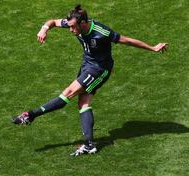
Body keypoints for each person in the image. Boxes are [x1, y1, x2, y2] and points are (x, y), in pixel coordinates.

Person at [12, 5, 167, 156]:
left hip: (100, 69)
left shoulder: (101, 32)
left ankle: (30, 115)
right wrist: (44, 29)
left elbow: (127, 40)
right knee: (83, 103)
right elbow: (52, 22)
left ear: (83, 23)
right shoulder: (75, 22)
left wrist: (153, 48)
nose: (71, 30)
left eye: (73, 27)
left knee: (68, 93)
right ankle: (89, 145)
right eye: (70, 26)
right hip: (87, 65)